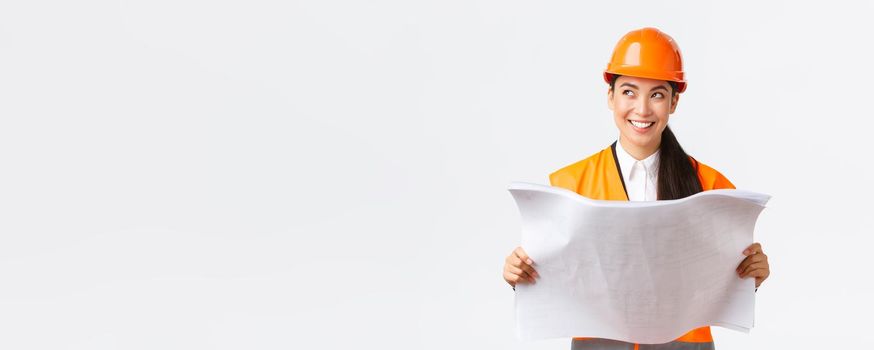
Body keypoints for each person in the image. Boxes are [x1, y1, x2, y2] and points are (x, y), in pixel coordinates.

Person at [502, 27, 771, 350]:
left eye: (657, 94)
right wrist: (519, 274)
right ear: (610, 96)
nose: (642, 109)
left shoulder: (711, 187)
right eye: (629, 92)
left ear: (673, 102)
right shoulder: (569, 186)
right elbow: (558, 280)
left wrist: (751, 275)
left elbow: (721, 283)